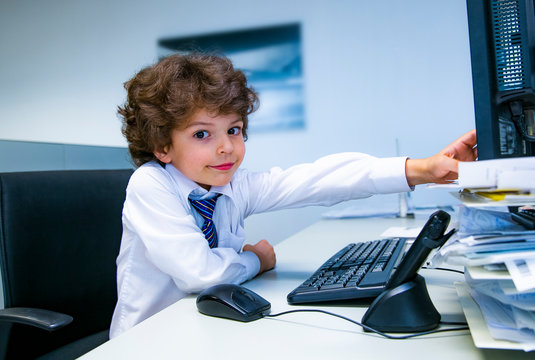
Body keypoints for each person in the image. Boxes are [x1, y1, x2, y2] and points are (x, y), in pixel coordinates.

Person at [109, 53, 477, 338]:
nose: (226, 148)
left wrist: (424, 169)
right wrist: (255, 260)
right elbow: (199, 275)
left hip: (205, 326)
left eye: (234, 130)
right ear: (162, 147)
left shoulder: (231, 187)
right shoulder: (150, 184)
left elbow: (319, 179)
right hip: (147, 339)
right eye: (202, 134)